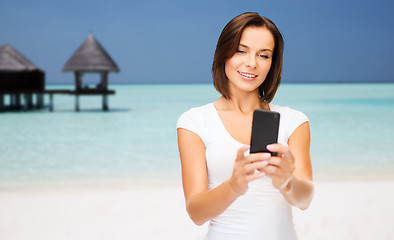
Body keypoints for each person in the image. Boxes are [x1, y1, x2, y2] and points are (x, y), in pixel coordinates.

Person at [176, 12, 314, 240]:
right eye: (241, 50)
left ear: (273, 63)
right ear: (224, 53)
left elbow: (305, 199)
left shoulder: (293, 121)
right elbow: (196, 212)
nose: (251, 63)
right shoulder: (195, 122)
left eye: (264, 55)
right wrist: (234, 186)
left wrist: (287, 182)